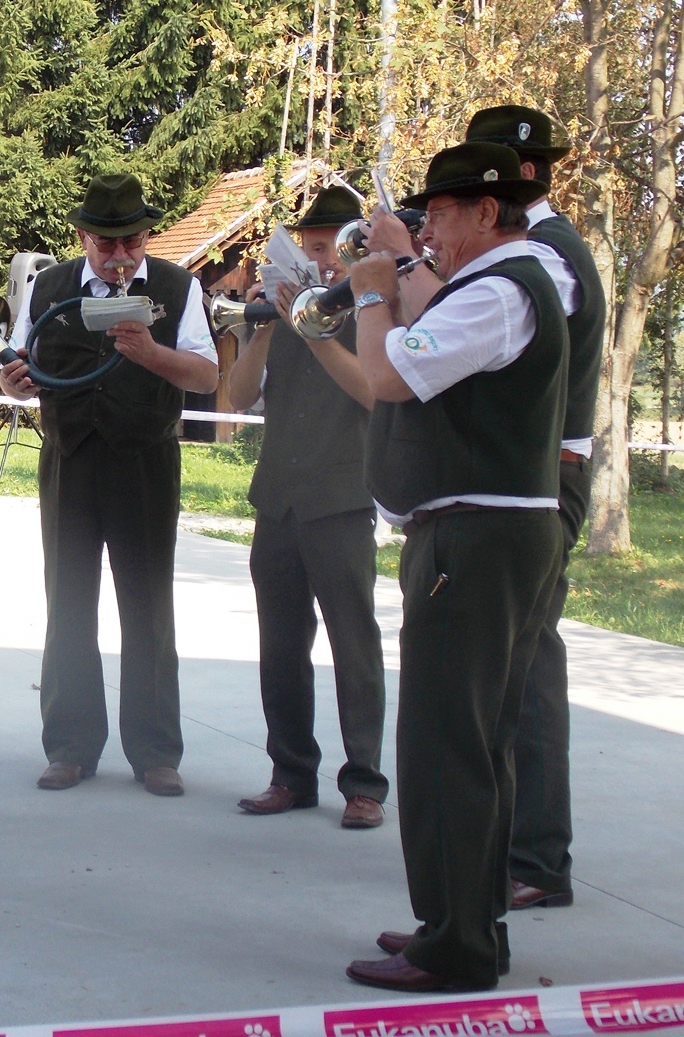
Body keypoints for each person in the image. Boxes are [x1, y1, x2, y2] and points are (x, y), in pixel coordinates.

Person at [343, 142, 568, 992]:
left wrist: (373, 293)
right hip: (492, 534)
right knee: (477, 743)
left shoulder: (501, 289)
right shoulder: (502, 285)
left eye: (440, 213)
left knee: (446, 743)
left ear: (486, 211)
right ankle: (470, 923)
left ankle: (457, 944)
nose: (427, 228)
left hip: (476, 538)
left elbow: (389, 373)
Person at [0, 173, 219, 797]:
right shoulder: (48, 287)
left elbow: (206, 376)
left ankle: (155, 752)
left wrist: (152, 354)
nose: (121, 256)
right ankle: (70, 747)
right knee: (68, 601)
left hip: (145, 460)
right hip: (70, 458)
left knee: (148, 607)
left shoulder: (178, 286)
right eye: (106, 243)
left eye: (132, 242)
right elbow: (18, 362)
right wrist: (13, 384)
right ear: (82, 237)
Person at [466, 105, 605, 911]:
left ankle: (537, 858)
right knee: (516, 666)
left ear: (515, 177)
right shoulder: (540, 247)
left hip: (544, 476)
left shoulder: (544, 256)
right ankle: (523, 852)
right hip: (533, 474)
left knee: (526, 673)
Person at [227, 186, 388, 830]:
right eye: (311, 249)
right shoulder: (283, 317)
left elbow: (375, 394)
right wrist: (263, 328)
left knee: (354, 645)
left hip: (341, 501)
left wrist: (313, 328)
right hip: (278, 500)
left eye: (329, 251)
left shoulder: (371, 316)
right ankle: (290, 774)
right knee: (280, 647)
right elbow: (238, 398)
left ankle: (364, 783)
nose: (320, 263)